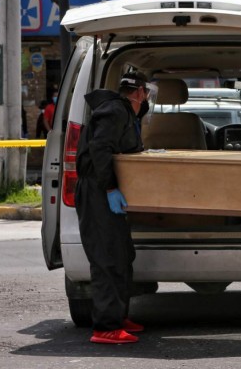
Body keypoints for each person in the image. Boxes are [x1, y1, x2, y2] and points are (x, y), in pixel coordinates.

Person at [75, 72, 150, 344]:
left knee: (121, 254)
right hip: (98, 190)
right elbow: (100, 147)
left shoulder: (123, 113)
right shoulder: (115, 111)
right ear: (140, 92)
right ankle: (105, 326)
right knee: (107, 256)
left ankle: (117, 316)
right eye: (147, 93)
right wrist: (109, 188)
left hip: (106, 189)